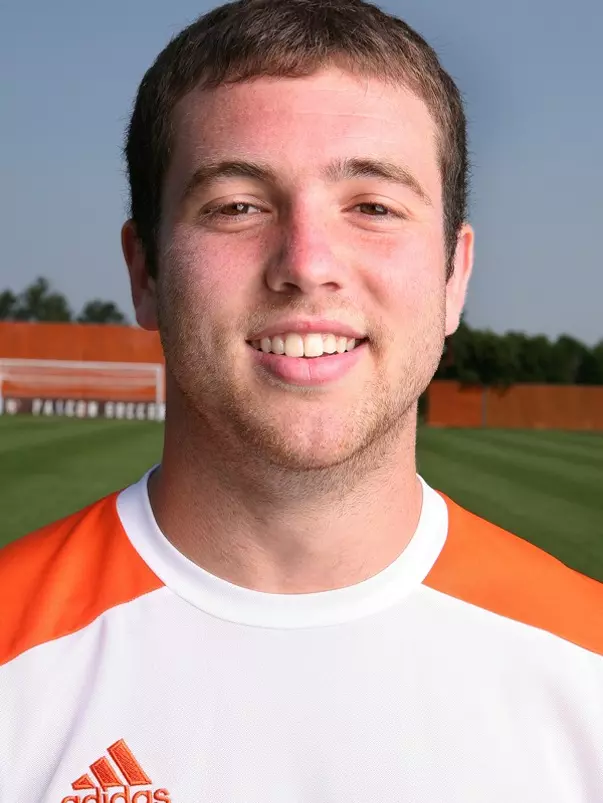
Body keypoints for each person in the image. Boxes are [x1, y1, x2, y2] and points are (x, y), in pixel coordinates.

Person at [1, 1, 602, 800]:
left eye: (373, 206)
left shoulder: (584, 665)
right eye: (237, 206)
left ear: (454, 275)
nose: (306, 263)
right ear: (144, 270)